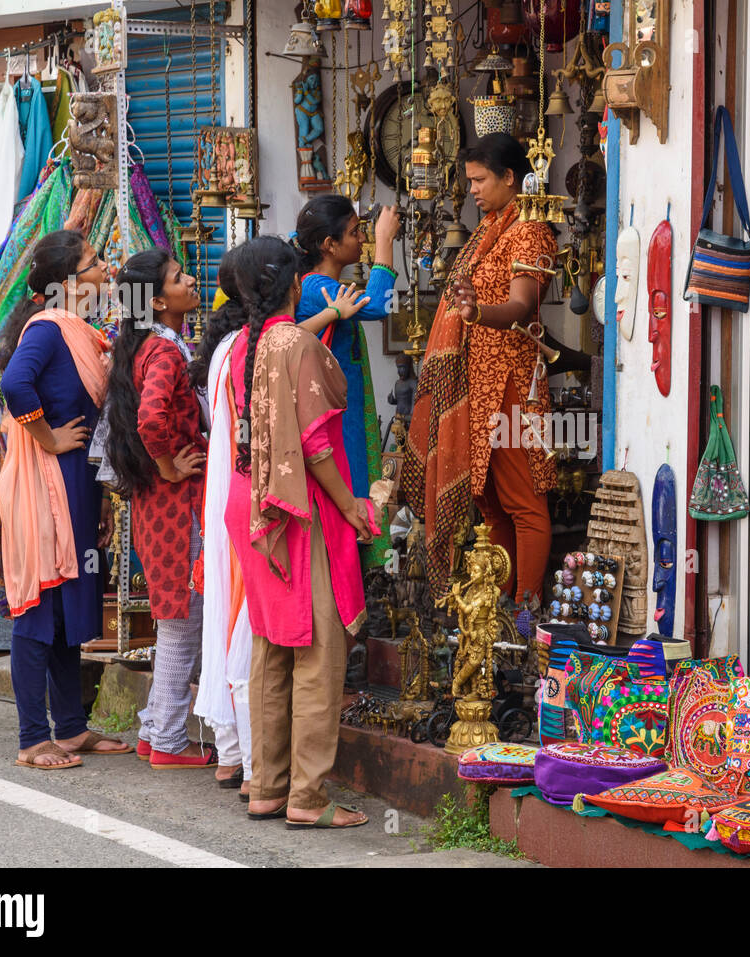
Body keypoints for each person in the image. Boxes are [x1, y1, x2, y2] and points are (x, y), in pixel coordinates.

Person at [226, 236, 373, 829]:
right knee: (316, 650)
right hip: (296, 506)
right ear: (292, 284)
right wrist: (352, 507)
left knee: (271, 645)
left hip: (252, 506)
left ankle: (266, 786)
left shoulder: (245, 342)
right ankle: (308, 799)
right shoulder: (296, 344)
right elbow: (314, 446)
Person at [402, 133, 558, 604]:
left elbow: (521, 304)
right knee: (492, 509)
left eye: (480, 179)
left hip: (511, 381)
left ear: (510, 178)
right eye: (469, 180)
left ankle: (527, 620)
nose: (472, 189)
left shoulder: (530, 231)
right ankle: (500, 617)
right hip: (478, 383)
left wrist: (475, 315)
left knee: (525, 505)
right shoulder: (488, 230)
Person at [0, 228, 130, 769]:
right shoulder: (48, 330)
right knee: (38, 608)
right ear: (68, 282)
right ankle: (33, 738)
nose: (104, 269)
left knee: (68, 605)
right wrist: (49, 438)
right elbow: (14, 385)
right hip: (44, 488)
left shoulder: (78, 330)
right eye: (96, 262)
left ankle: (71, 728)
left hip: (76, 488)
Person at [106, 248, 216, 770]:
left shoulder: (147, 346)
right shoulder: (167, 353)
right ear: (156, 300)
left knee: (175, 617)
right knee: (182, 621)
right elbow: (151, 420)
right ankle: (168, 741)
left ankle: (155, 730)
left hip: (159, 505)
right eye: (179, 277)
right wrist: (170, 464)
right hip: (177, 503)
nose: (191, 279)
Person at [292, 196, 400, 568]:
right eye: (355, 233)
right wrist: (385, 241)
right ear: (329, 245)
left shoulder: (324, 285)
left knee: (355, 485)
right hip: (335, 417)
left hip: (347, 413)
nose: (363, 238)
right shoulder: (314, 289)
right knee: (346, 494)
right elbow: (380, 304)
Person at [192, 256, 255, 799]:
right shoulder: (250, 349)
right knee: (242, 619)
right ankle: (247, 762)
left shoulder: (221, 349)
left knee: (226, 613)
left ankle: (231, 752)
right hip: (244, 488)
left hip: (223, 487)